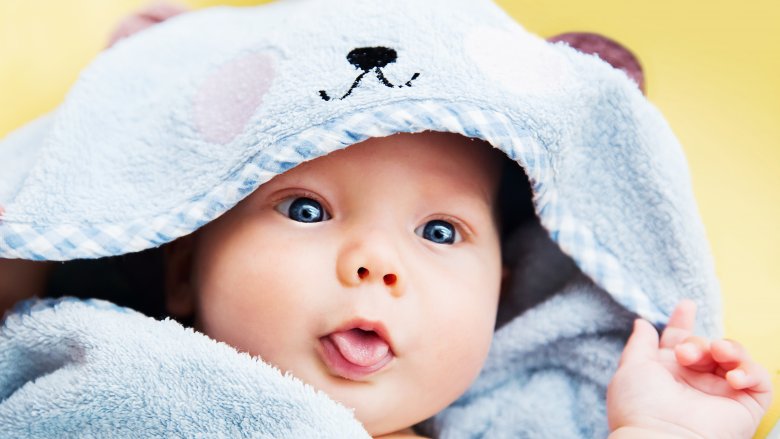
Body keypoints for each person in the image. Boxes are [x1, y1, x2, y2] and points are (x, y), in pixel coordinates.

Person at [0, 1, 772, 437]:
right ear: (181, 270)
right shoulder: (124, 382)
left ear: (500, 299)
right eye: (306, 208)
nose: (374, 262)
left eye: (440, 232)